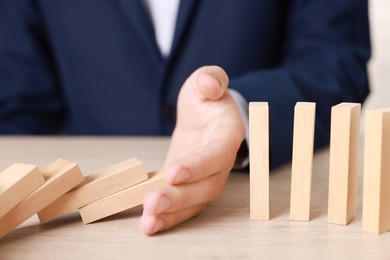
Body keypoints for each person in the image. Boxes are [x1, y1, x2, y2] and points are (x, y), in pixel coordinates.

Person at [0, 0, 370, 235]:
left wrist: (240, 110)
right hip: (83, 225)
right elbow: (17, 99)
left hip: (254, 208)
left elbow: (335, 60)